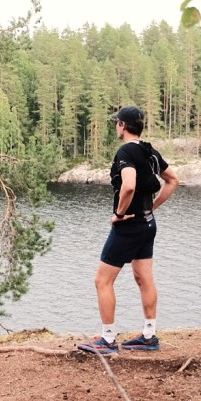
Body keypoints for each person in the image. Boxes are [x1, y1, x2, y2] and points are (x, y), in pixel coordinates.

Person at [77, 105, 179, 355]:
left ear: (123, 126)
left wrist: (119, 214)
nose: (116, 126)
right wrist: (153, 207)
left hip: (129, 226)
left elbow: (129, 185)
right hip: (148, 224)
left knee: (102, 280)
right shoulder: (149, 151)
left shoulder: (126, 151)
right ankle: (149, 335)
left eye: (117, 122)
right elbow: (172, 180)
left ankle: (108, 340)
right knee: (144, 278)